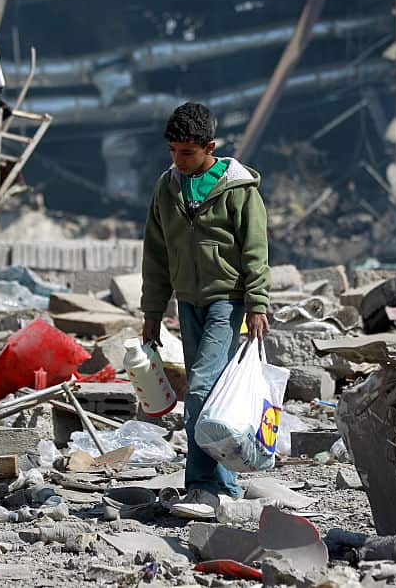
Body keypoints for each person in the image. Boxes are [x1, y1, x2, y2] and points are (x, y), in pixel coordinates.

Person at [140, 102, 271, 517]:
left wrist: (258, 303)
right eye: (174, 151)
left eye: (188, 153)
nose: (179, 160)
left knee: (199, 388)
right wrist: (152, 312)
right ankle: (227, 484)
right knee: (211, 394)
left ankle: (199, 485)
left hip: (227, 301)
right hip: (188, 302)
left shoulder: (238, 189)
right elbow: (156, 254)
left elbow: (255, 249)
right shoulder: (167, 187)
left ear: (209, 147)